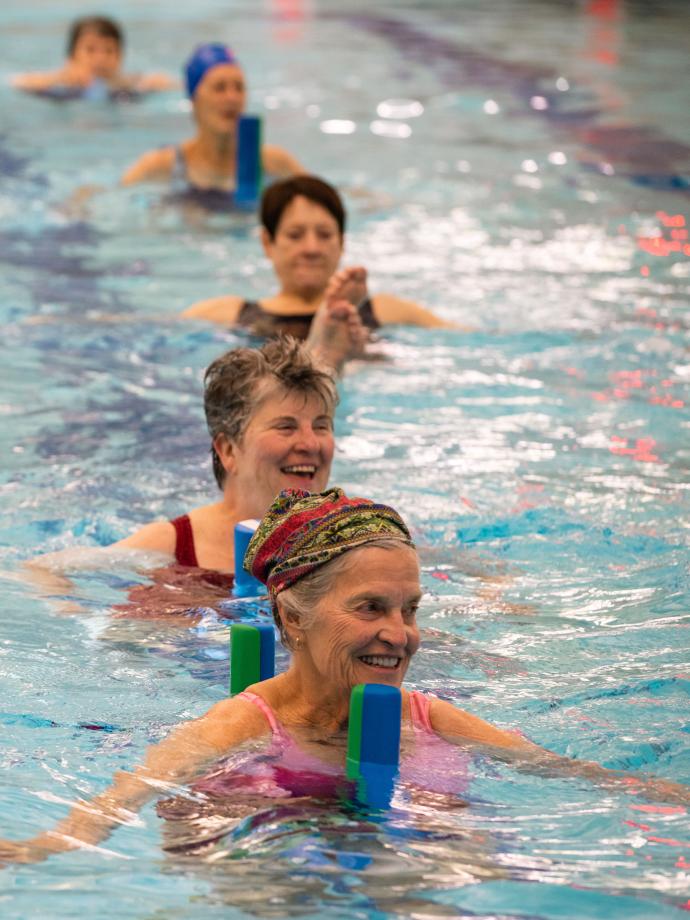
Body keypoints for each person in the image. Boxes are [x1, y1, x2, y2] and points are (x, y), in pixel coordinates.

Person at [4, 487, 688, 863]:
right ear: (293, 618)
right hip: (267, 846)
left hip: (387, 846)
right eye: (370, 608)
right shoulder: (243, 724)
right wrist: (34, 848)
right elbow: (108, 810)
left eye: (409, 609)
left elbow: (573, 776)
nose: (401, 635)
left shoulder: (427, 717)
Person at [23, 339, 339, 612]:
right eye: (286, 427)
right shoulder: (175, 547)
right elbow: (41, 569)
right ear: (228, 449)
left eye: (321, 426)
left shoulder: (353, 538)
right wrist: (87, 618)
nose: (311, 444)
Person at [184, 175, 458, 336]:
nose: (312, 248)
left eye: (325, 235)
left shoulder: (385, 313)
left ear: (342, 243)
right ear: (268, 242)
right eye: (295, 235)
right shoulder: (229, 316)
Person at [121, 43, 302, 191]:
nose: (232, 98)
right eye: (219, 88)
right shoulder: (161, 166)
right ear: (194, 100)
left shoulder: (273, 164)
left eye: (239, 88)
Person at [11, 16, 175, 99]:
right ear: (72, 55)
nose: (100, 58)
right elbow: (17, 82)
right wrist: (60, 78)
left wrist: (126, 82)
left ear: (120, 57)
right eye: (90, 50)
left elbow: (169, 84)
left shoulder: (128, 85)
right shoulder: (61, 84)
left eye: (109, 51)